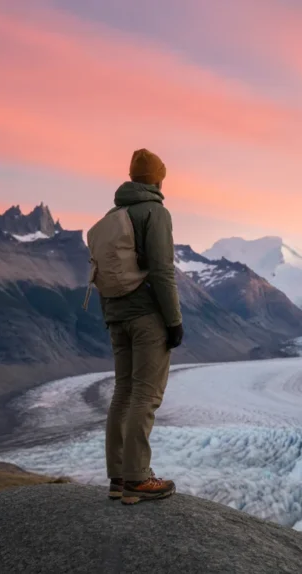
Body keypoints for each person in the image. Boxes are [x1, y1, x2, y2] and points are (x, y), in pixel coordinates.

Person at [97, 148, 184, 505]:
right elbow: (162, 271)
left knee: (123, 392)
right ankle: (137, 479)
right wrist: (174, 321)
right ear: (159, 180)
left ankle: (118, 477)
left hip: (116, 315)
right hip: (147, 317)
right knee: (145, 396)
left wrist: (112, 314)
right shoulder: (155, 213)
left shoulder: (112, 216)